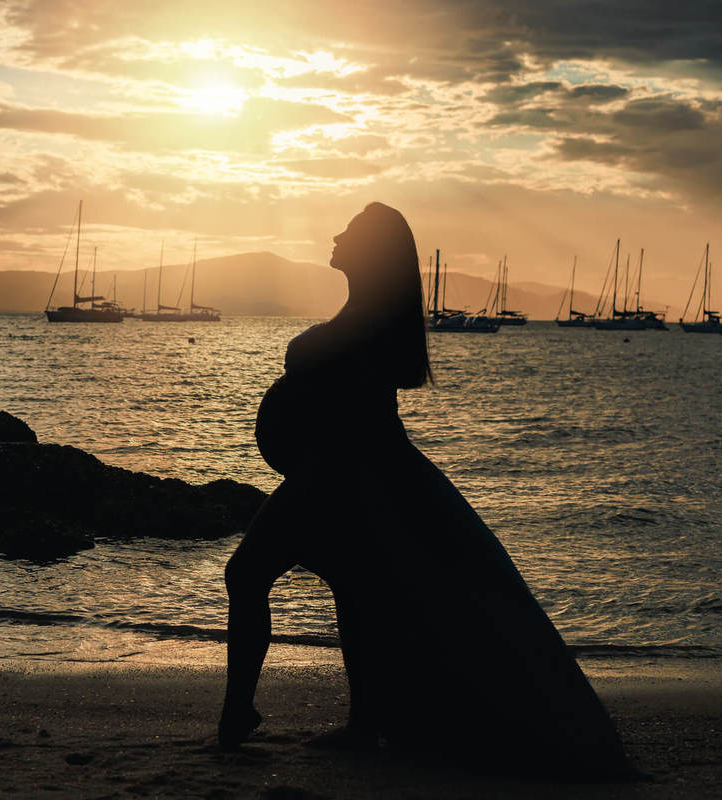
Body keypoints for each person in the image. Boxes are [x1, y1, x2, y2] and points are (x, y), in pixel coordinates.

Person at [218, 202, 636, 779]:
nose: (336, 235)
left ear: (372, 251)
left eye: (351, 231)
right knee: (352, 589)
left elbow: (330, 386)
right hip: (342, 472)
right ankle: (347, 723)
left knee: (254, 575)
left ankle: (245, 716)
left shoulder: (369, 320)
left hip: (340, 474)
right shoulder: (366, 313)